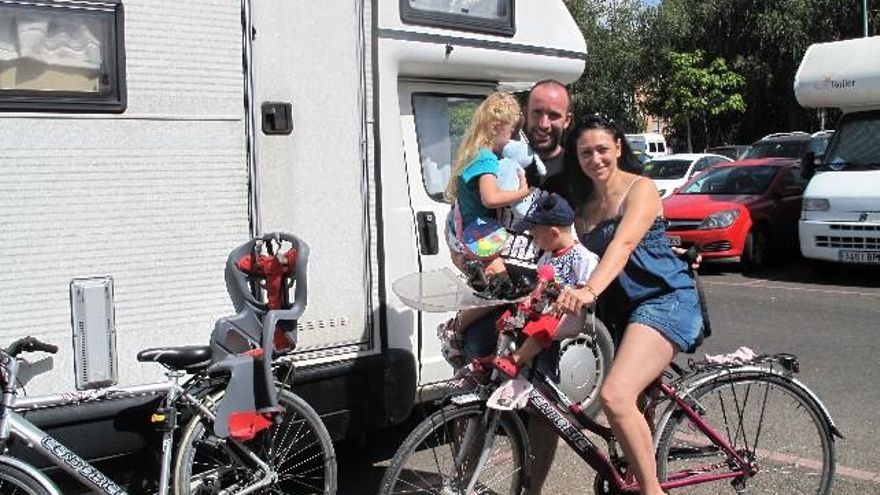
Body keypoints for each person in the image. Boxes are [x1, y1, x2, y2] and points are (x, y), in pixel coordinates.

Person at [555, 114, 703, 495]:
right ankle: (641, 479)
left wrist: (588, 290)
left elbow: (621, 247)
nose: (596, 158)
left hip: (664, 301)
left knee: (615, 395)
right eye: (586, 152)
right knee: (628, 406)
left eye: (602, 149)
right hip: (621, 314)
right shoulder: (583, 208)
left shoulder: (641, 188)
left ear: (619, 147)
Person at [485, 193, 599, 377]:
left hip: (568, 314)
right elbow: (541, 284)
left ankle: (516, 360)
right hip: (546, 307)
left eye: (535, 236)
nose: (533, 239)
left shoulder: (582, 257)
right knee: (508, 317)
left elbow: (586, 290)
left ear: (554, 233)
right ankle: (496, 356)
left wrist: (567, 294)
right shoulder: (546, 256)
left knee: (544, 324)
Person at [443, 92, 529, 329]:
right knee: (501, 291)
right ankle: (454, 329)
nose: (511, 138)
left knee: (492, 290)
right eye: (510, 131)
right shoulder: (487, 158)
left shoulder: (471, 152)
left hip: (462, 232)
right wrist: (522, 192)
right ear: (496, 127)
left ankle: (460, 330)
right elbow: (491, 198)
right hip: (478, 235)